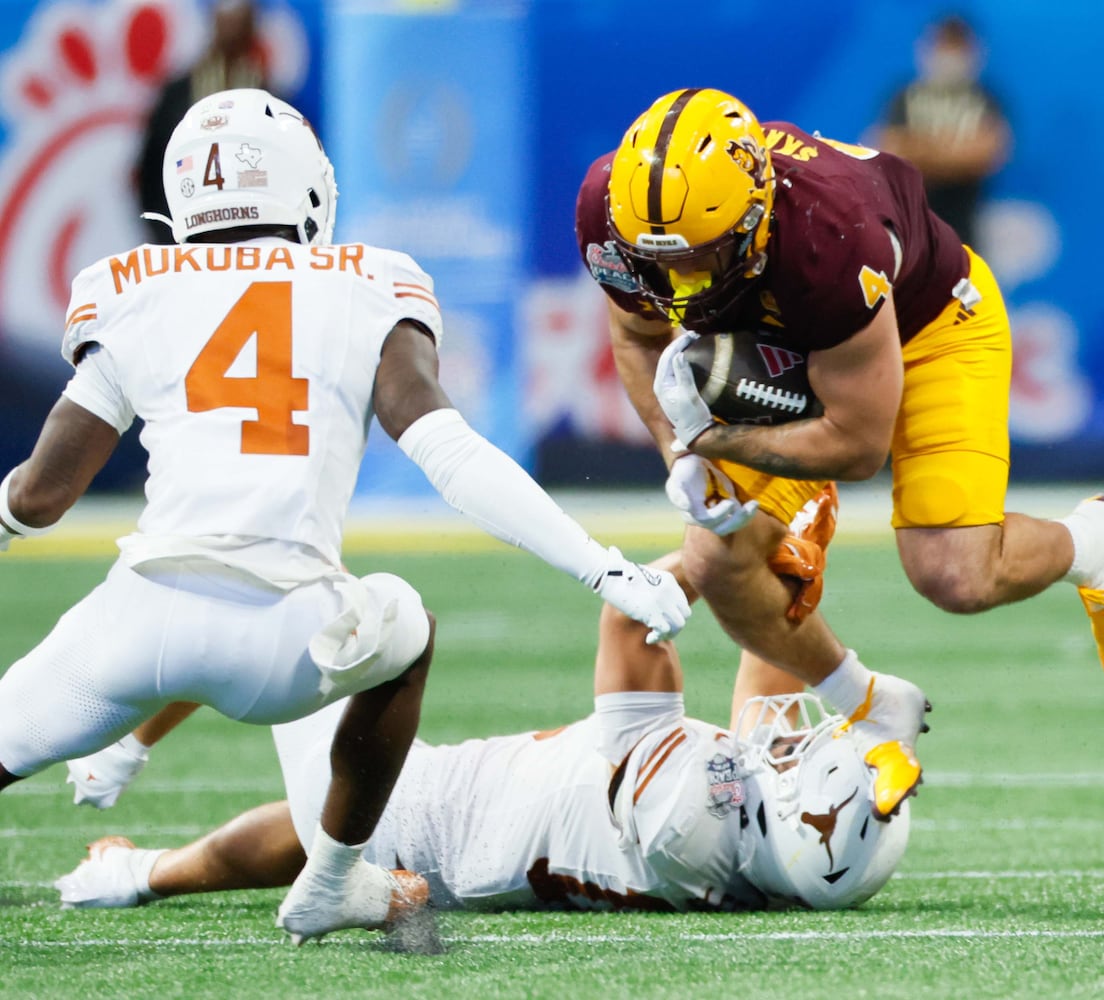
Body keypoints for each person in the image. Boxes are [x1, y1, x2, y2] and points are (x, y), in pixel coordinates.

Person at [0, 87, 689, 943]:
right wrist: (603, 566)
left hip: (130, 625)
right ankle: (330, 879)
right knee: (399, 625)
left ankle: (258, 836)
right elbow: (450, 453)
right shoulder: (369, 282)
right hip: (288, 640)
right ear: (305, 190)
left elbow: (38, 496)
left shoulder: (132, 286)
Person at [575, 88, 1104, 815]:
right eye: (663, 265)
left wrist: (712, 437)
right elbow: (637, 333)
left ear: (755, 214)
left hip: (931, 323)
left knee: (953, 574)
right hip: (783, 334)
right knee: (716, 556)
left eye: (702, 259)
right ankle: (868, 703)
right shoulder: (616, 208)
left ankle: (1092, 542)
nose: (682, 287)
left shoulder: (830, 234)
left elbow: (856, 446)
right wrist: (679, 454)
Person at [54, 546, 911, 915]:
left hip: (418, 816)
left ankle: (117, 743)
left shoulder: (689, 799)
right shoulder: (758, 853)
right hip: (442, 849)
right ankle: (129, 876)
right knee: (313, 832)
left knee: (297, 594)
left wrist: (729, 546)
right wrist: (790, 568)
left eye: (810, 755)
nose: (802, 738)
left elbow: (630, 618)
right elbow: (766, 684)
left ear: (791, 813)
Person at [872, 14, 1011, 248]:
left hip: (964, 232)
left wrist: (920, 149)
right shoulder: (905, 97)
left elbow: (988, 153)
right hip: (909, 231)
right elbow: (886, 150)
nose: (949, 55)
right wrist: (954, 149)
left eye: (956, 46)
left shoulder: (986, 99)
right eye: (944, 44)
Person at [137, 1, 270, 245]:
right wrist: (166, 235)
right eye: (226, 22)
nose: (232, 33)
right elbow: (149, 170)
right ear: (214, 25)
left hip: (248, 239)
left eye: (240, 24)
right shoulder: (178, 95)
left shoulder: (267, 97)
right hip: (184, 237)